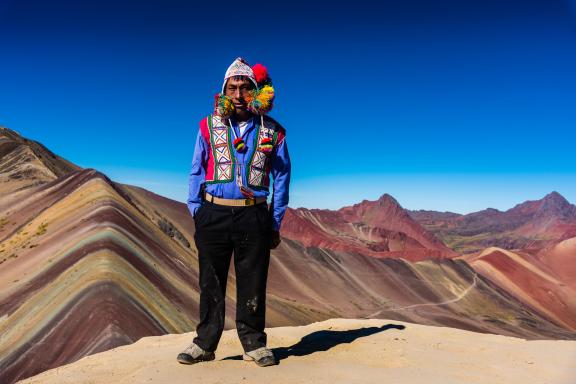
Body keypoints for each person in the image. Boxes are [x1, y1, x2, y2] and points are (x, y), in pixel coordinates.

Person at [177, 57, 291, 367]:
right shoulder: (208, 125)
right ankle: (205, 343)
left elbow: (281, 180)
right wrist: (196, 210)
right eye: (233, 87)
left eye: (245, 87)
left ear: (257, 91)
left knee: (253, 280)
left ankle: (253, 343)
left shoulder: (273, 131)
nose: (239, 94)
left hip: (253, 215)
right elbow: (195, 170)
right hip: (213, 213)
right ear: (224, 91)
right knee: (210, 280)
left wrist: (274, 222)